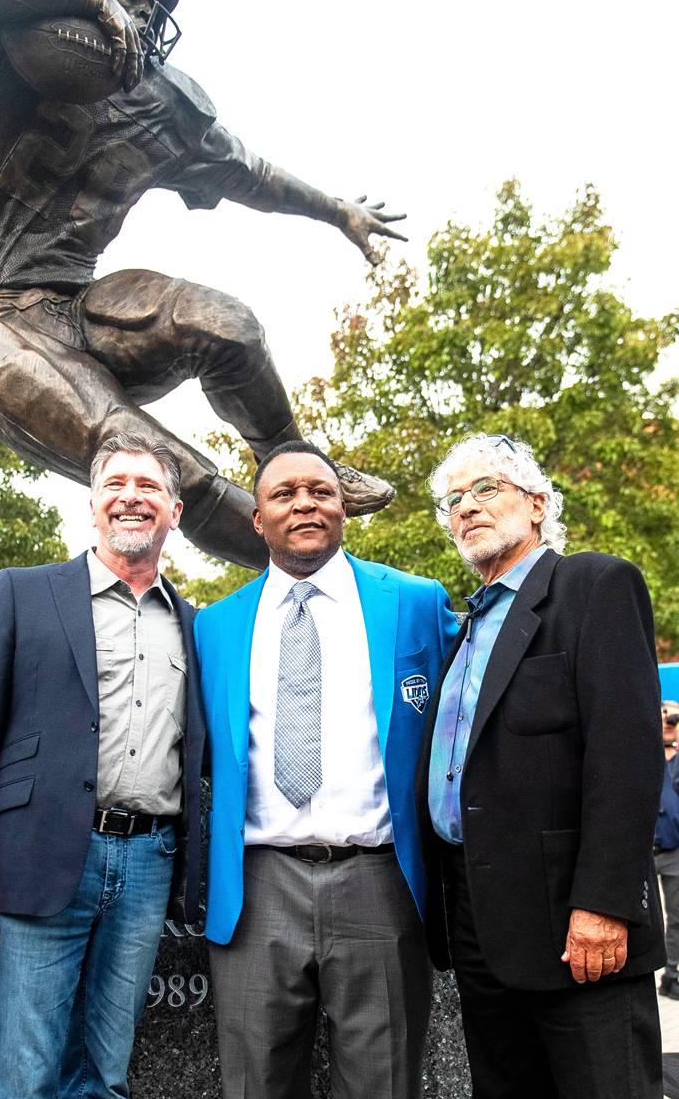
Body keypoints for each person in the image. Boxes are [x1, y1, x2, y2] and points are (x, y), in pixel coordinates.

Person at [0, 0, 403, 570]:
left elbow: (252, 174)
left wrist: (338, 211)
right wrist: (85, 0)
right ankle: (317, 584)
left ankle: (292, 461)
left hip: (73, 302)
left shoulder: (159, 101)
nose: (139, 5)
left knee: (228, 326)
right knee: (154, 461)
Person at [0, 432, 205, 1098]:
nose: (131, 496)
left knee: (104, 1076)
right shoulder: (24, 593)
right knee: (23, 1077)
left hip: (148, 866)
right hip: (38, 857)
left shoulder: (194, 625)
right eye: (116, 483)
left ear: (174, 511)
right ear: (93, 506)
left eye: (148, 486)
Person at [194, 440, 458, 1099]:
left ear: (344, 508)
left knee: (382, 1084)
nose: (304, 501)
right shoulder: (214, 627)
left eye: (321, 489)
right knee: (254, 1085)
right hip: (258, 887)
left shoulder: (417, 603)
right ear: (258, 519)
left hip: (379, 880)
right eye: (283, 494)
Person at [417, 432, 665, 1099]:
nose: (466, 507)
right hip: (478, 924)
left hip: (577, 929)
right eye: (454, 499)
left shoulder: (593, 585)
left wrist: (604, 903)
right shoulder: (465, 627)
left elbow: (628, 752)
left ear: (537, 503)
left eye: (486, 488)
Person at [655, 701, 679, 999]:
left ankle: (672, 973)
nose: (668, 721)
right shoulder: (642, 752)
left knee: (677, 916)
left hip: (674, 851)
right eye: (662, 715)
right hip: (643, 852)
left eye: (672, 716)